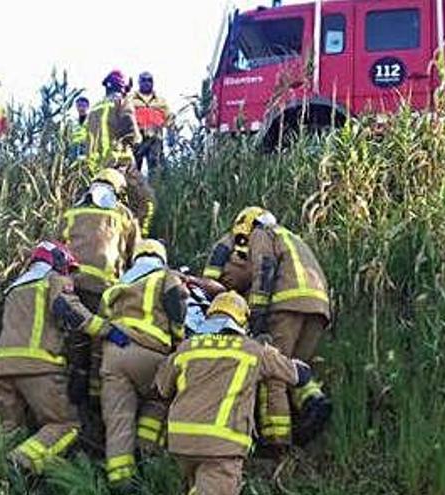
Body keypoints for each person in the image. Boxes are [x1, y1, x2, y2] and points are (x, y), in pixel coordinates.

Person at [155, 291, 311, 495]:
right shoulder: (252, 350)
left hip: (181, 440)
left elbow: (161, 387)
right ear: (242, 322)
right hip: (221, 445)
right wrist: (298, 365)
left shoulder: (187, 348)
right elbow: (298, 376)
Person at [207, 207, 332, 449]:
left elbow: (265, 267)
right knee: (292, 368)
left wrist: (257, 313)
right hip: (317, 307)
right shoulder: (291, 237)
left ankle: (277, 442)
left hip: (286, 304)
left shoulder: (261, 234)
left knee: (273, 372)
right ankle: (312, 403)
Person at [0, 241, 106, 474]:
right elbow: (69, 310)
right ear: (58, 262)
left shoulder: (14, 289)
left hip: (0, 369)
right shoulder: (54, 281)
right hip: (38, 367)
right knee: (66, 425)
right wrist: (107, 329)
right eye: (68, 270)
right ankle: (20, 464)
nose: (69, 276)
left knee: (6, 433)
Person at [58, 167, 140, 454]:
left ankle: (73, 408)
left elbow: (58, 248)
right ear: (118, 190)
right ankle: (94, 414)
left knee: (74, 347)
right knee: (99, 349)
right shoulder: (124, 214)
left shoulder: (71, 213)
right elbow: (134, 257)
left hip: (72, 287)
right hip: (106, 289)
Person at [97, 238, 188, 487]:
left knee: (118, 419)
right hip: (150, 354)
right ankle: (147, 455)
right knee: (160, 399)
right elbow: (177, 300)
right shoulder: (165, 275)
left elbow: (100, 322)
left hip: (113, 354)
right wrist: (178, 338)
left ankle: (120, 480)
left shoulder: (118, 283)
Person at [86, 70, 156, 237]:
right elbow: (131, 133)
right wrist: (139, 140)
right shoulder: (122, 102)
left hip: (93, 170)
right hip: (118, 165)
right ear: (123, 88)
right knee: (147, 203)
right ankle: (138, 241)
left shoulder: (94, 108)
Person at [130, 71, 169, 174]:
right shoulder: (130, 99)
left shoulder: (161, 101)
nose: (146, 83)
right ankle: (133, 189)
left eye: (149, 80)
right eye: (143, 80)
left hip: (155, 139)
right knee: (133, 168)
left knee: (156, 169)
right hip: (136, 139)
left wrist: (172, 134)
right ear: (139, 82)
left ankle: (156, 188)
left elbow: (169, 118)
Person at [68, 96, 91, 162]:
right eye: (79, 106)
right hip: (74, 153)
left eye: (83, 106)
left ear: (88, 106)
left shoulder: (92, 120)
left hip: (87, 151)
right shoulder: (73, 122)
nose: (81, 108)